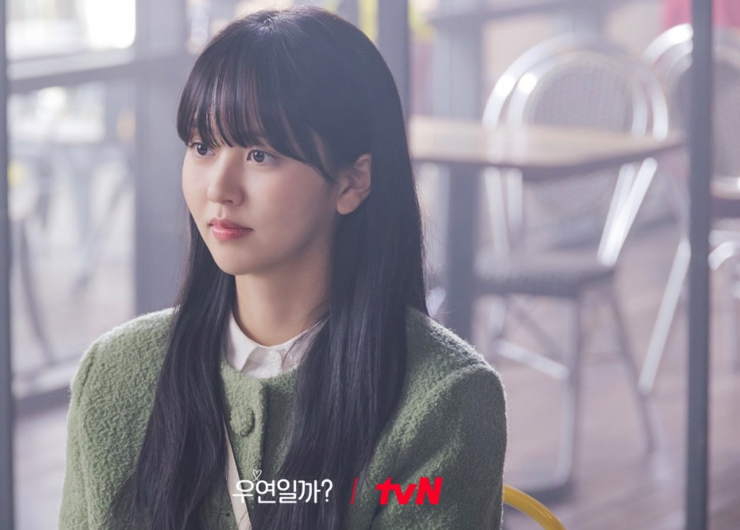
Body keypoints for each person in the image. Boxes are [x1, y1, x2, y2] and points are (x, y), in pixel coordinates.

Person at [58, 7, 506, 530]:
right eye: (202, 147)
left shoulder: (446, 400)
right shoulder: (114, 373)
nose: (219, 188)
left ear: (352, 182)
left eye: (260, 154)